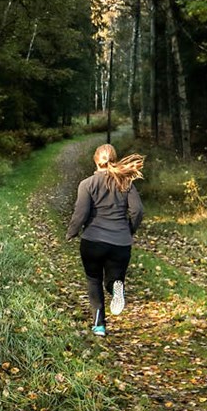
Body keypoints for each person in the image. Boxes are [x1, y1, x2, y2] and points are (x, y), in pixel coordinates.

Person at [66, 143, 145, 337]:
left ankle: (99, 325)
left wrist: (72, 232)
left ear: (95, 160)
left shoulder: (87, 184)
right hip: (120, 243)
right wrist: (129, 230)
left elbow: (81, 213)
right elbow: (137, 211)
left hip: (93, 242)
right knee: (114, 277)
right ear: (115, 160)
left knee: (94, 280)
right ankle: (115, 286)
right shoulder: (126, 183)